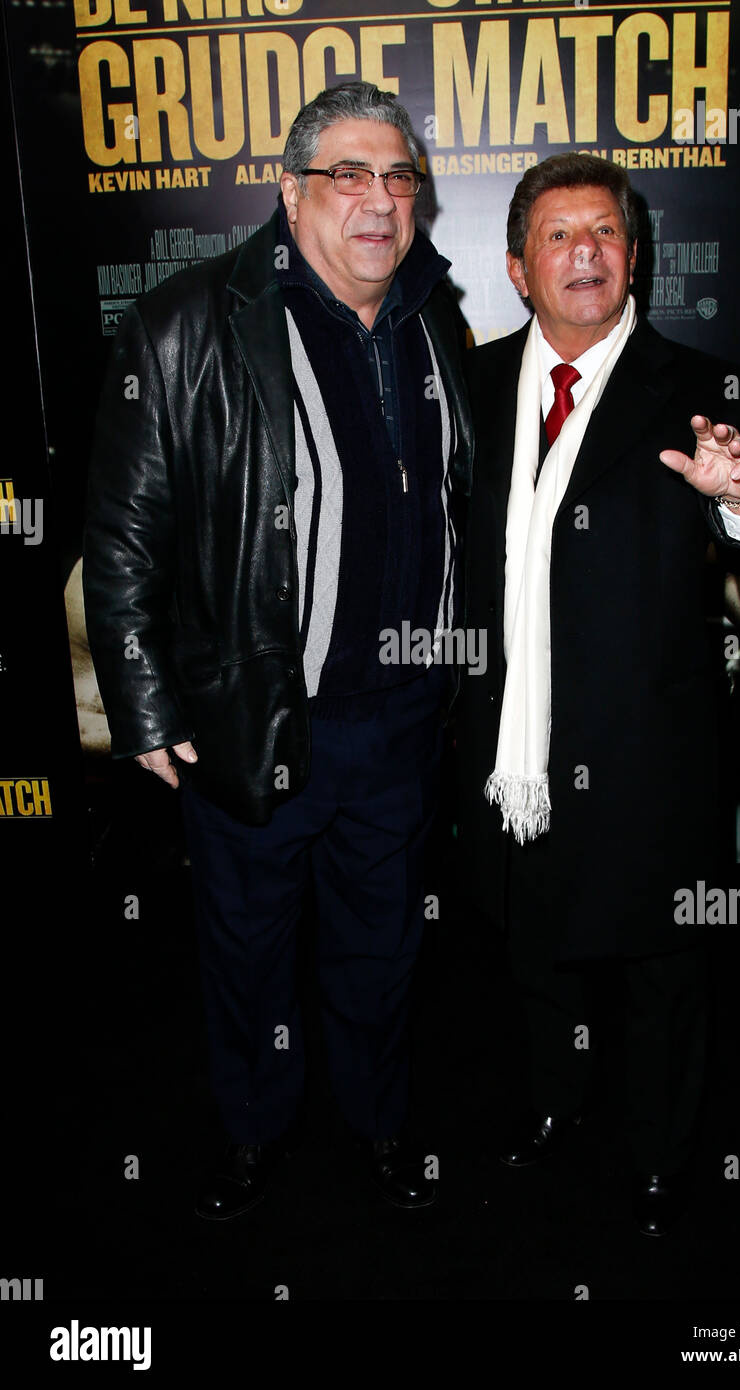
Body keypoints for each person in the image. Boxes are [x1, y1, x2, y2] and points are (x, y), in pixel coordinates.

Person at [83, 81, 472, 1220]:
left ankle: (377, 1122)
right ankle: (253, 1130)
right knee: (248, 951)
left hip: (401, 724)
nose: (379, 200)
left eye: (397, 176)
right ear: (291, 192)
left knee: (381, 950)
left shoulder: (433, 318)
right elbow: (122, 535)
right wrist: (145, 706)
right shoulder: (187, 322)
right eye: (348, 175)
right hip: (256, 718)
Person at [458, 153, 740, 1236]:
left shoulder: (705, 391)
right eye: (558, 236)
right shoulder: (466, 387)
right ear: (517, 267)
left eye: (604, 233)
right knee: (531, 943)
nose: (585, 254)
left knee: (663, 968)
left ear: (635, 254)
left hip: (648, 749)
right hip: (510, 745)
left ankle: (661, 1155)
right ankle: (554, 1103)